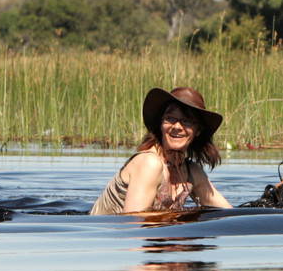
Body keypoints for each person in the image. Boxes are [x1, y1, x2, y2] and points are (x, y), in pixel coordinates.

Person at [90, 87, 232, 214]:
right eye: (170, 119)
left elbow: (228, 214)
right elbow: (132, 224)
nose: (177, 126)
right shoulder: (149, 163)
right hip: (106, 238)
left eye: (186, 121)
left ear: (198, 130)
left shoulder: (192, 173)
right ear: (161, 124)